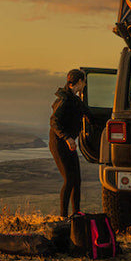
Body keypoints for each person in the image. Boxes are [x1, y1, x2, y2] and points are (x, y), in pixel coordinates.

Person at [50, 68, 87, 218]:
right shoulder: (64, 100)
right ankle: (63, 217)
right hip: (59, 144)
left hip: (67, 144)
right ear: (79, 82)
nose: (85, 84)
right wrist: (67, 138)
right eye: (84, 81)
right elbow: (54, 122)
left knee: (76, 180)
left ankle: (76, 214)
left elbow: (88, 113)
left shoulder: (75, 100)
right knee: (69, 179)